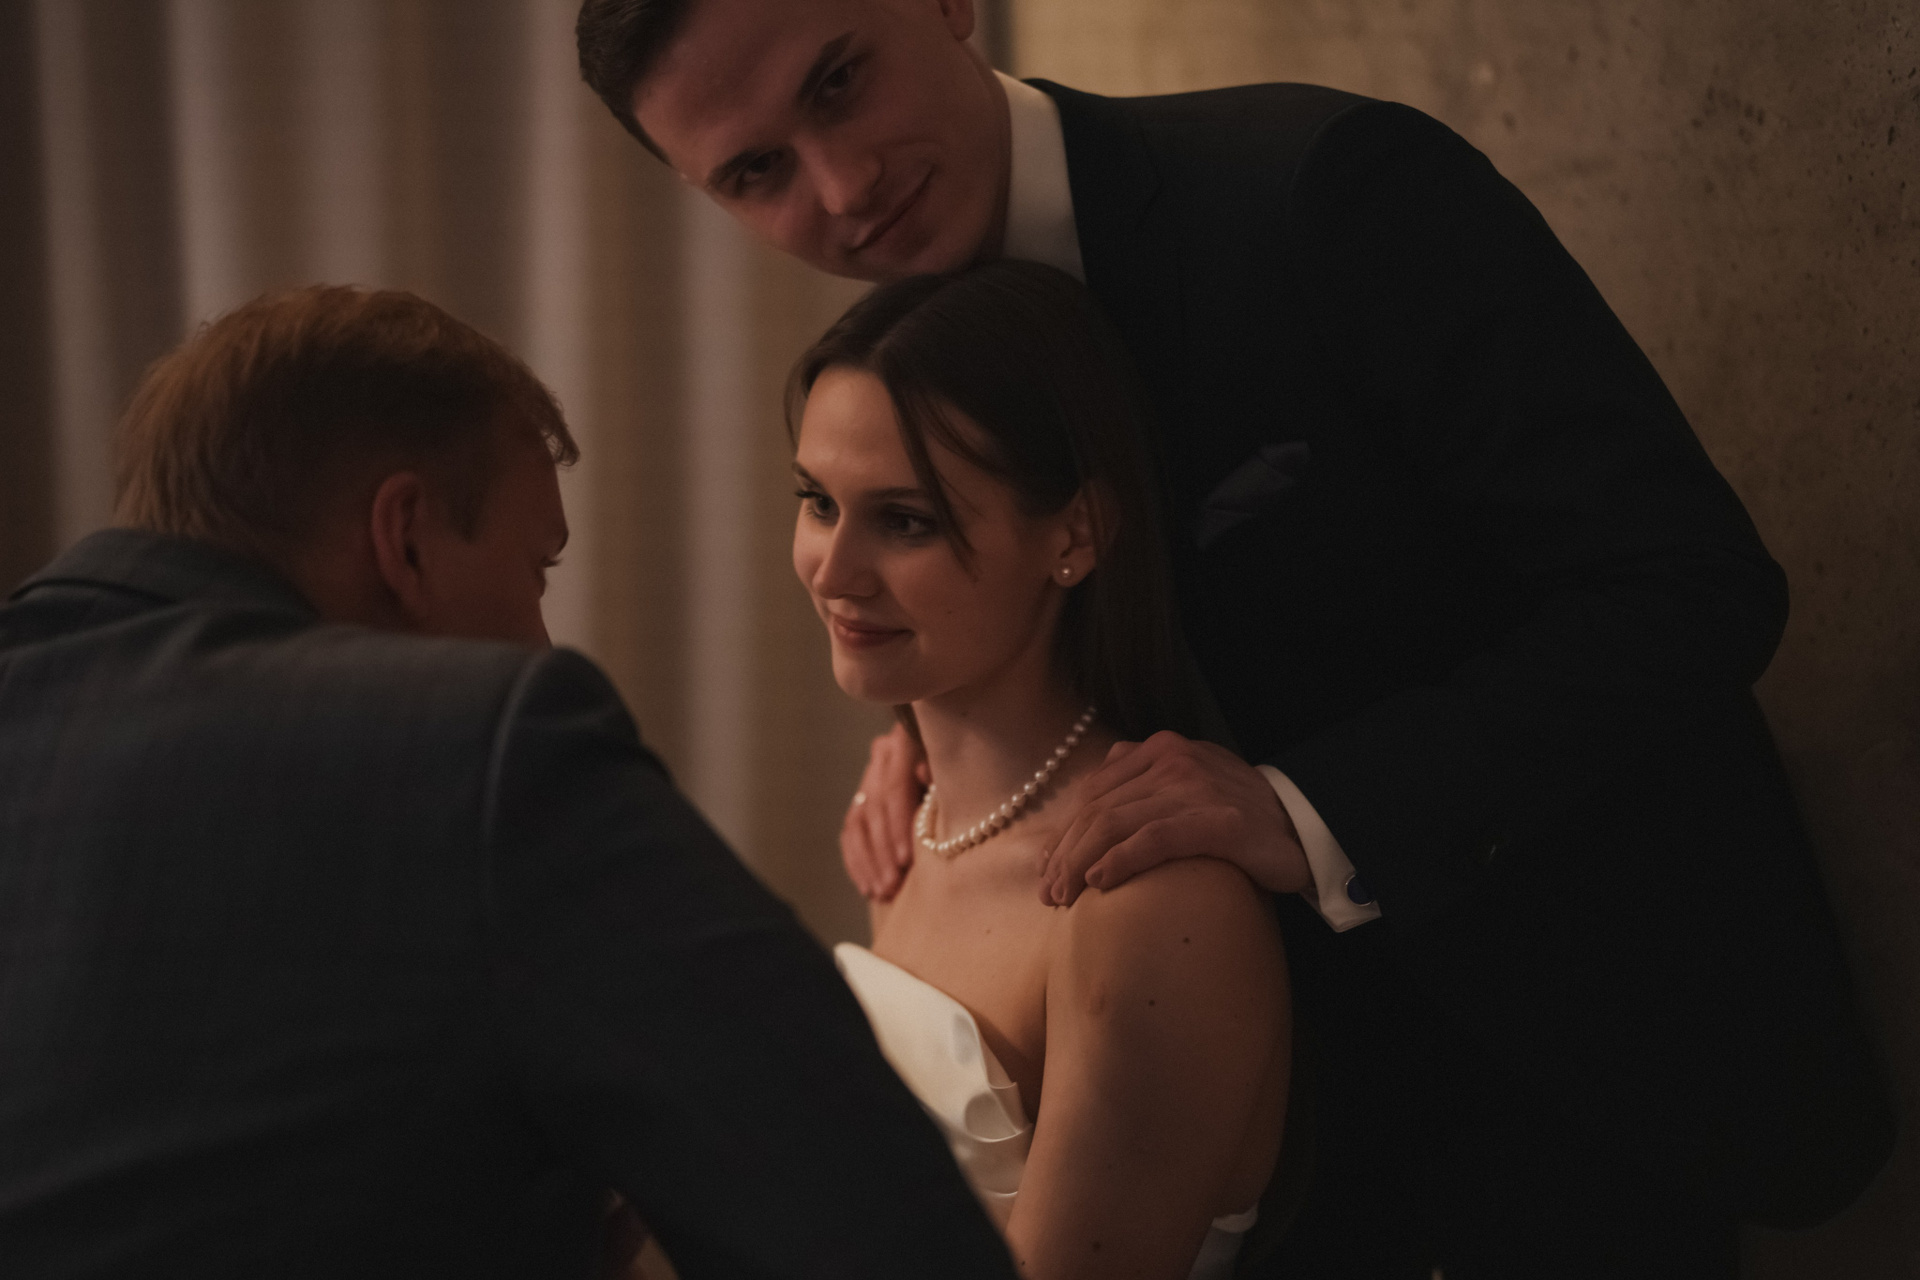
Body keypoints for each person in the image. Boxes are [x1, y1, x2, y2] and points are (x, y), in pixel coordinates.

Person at [576, 1, 1893, 1276]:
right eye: (756, 172)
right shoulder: (917, 349)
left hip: (1571, 1052)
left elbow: (1689, 585)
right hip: (1255, 1153)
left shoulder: (1324, 192)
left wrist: (1310, 810)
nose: (843, 183)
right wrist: (955, 729)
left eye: (839, 81)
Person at [0, 285, 1017, 1280]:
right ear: (404, 539)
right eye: (537, 571)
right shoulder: (484, 749)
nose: (540, 639)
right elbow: (885, 1243)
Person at [791, 260, 1290, 1280]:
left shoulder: (1147, 897)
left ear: (1076, 532)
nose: (833, 573)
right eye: (817, 502)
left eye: (905, 519)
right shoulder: (913, 827)